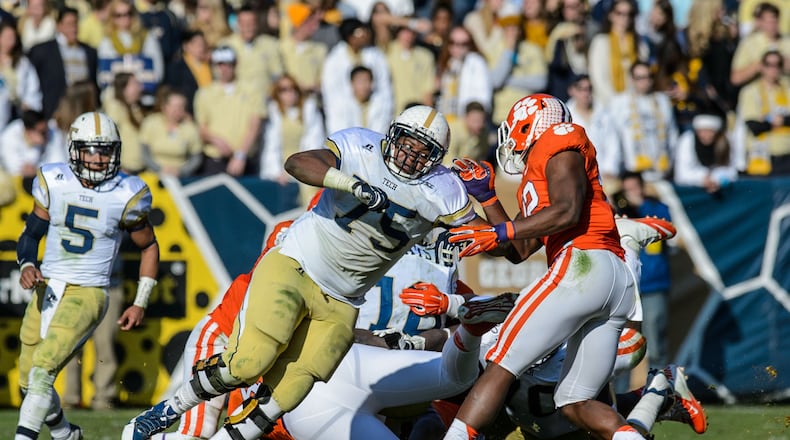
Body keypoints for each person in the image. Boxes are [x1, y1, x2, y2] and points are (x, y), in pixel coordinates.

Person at [124, 104, 482, 440]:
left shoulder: (442, 198)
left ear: (435, 160)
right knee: (249, 363)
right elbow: (298, 162)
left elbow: (502, 246)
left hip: (343, 300)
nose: (409, 155)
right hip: (298, 268)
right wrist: (350, 184)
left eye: (422, 151)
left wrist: (488, 198)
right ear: (391, 135)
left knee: (290, 391)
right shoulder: (359, 150)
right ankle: (167, 410)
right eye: (406, 143)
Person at [440, 93, 657, 440]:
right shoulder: (541, 167)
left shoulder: (558, 141)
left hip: (584, 263)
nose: (510, 140)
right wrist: (488, 199)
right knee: (575, 401)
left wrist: (500, 230)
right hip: (612, 281)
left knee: (501, 362)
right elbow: (518, 249)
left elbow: (567, 211)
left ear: (529, 125)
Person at [15, 111, 160, 440]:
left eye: (105, 150)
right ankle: (66, 433)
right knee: (28, 381)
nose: (97, 159)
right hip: (47, 287)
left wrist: (140, 301)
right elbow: (30, 234)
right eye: (90, 150)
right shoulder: (54, 180)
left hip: (89, 290)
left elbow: (149, 246)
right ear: (73, 150)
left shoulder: (127, 192)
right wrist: (26, 264)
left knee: (43, 370)